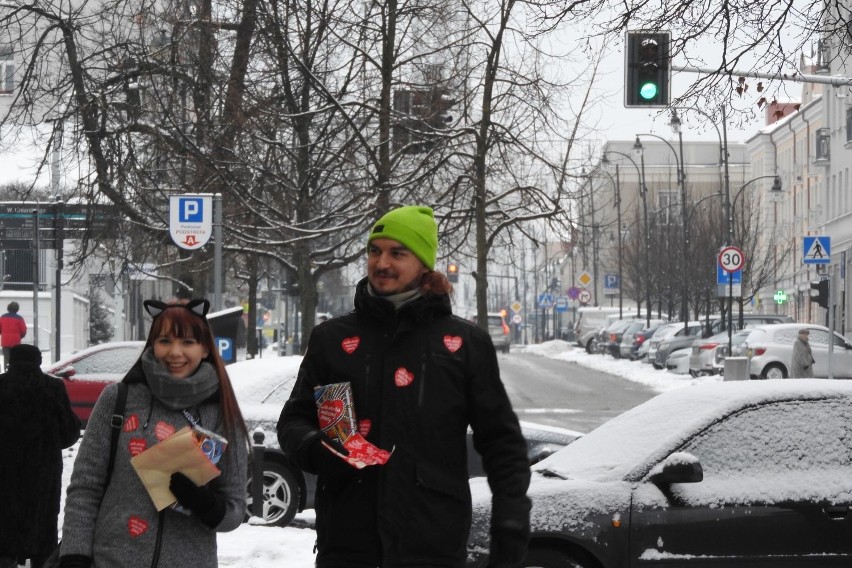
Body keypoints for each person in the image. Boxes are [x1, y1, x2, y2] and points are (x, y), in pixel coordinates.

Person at [278, 205, 531, 567]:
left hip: (432, 547)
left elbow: (501, 439)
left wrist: (511, 517)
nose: (382, 263)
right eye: (375, 251)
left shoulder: (464, 343)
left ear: (424, 263)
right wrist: (318, 448)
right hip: (347, 546)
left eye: (398, 253)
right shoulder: (331, 339)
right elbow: (293, 422)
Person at [60, 299, 249, 568]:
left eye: (187, 342)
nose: (175, 352)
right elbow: (85, 487)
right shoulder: (118, 399)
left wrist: (206, 505)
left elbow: (235, 508)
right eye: (164, 341)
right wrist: (74, 556)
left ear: (205, 348)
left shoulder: (222, 413)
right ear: (152, 344)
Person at [0, 345, 81, 568]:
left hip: (5, 475)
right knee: (43, 529)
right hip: (42, 474)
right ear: (38, 361)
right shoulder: (53, 388)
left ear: (11, 361)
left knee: (4, 531)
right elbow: (68, 432)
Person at [0, 301, 27, 371]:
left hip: (5, 342)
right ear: (17, 309)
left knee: (7, 359)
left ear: (8, 308)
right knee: (16, 359)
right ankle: (15, 373)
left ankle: (7, 372)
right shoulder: (19, 318)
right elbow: (23, 330)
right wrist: (20, 336)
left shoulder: (2, 317)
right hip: (16, 342)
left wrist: (4, 334)